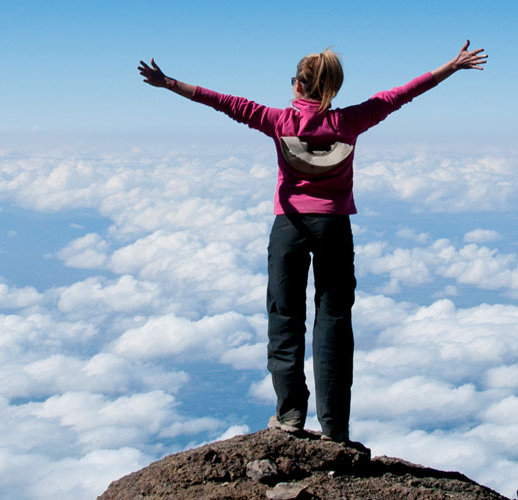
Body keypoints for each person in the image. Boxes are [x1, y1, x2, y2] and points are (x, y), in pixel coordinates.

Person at [137, 42, 488, 442]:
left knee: (284, 319)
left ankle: (290, 416)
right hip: (334, 227)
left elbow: (223, 102)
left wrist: (168, 84)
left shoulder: (277, 120)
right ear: (330, 89)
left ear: (301, 86)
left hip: (288, 227)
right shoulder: (350, 122)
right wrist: (452, 66)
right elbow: (401, 94)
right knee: (334, 321)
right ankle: (334, 427)